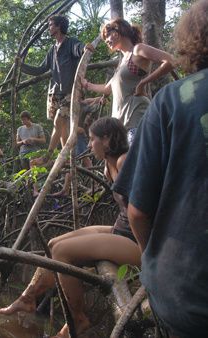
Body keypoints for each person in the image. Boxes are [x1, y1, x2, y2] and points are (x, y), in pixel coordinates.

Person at [112, 1, 208, 336]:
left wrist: (150, 259)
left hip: (185, 299)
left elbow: (137, 212)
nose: (109, 36)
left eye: (111, 31)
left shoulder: (170, 100)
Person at [0, 117, 141, 338]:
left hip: (138, 241)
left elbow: (145, 207)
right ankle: (28, 299)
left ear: (107, 139)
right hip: (121, 230)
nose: (89, 145)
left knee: (61, 252)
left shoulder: (124, 161)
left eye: (92, 140)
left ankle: (77, 319)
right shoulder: (107, 166)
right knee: (54, 244)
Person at [82, 18, 174, 143]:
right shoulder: (122, 61)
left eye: (107, 36)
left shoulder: (137, 50)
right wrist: (86, 84)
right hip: (120, 122)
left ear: (116, 33)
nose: (106, 41)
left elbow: (171, 61)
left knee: (135, 157)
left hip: (136, 114)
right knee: (121, 160)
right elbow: (107, 88)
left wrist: (143, 83)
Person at [22, 15, 92, 161]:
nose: (49, 28)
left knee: (58, 122)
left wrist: (85, 47)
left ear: (59, 26)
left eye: (51, 25)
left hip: (70, 92)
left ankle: (48, 155)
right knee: (61, 128)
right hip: (55, 94)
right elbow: (40, 69)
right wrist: (21, 66)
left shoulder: (70, 42)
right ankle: (70, 159)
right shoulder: (52, 50)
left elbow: (78, 48)